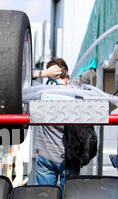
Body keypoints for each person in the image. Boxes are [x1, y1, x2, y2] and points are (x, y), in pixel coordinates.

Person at [33, 57, 80, 191]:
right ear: (67, 75)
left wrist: (42, 74)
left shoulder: (41, 93)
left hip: (45, 155)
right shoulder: (77, 94)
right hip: (70, 156)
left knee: (43, 198)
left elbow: (18, 80)